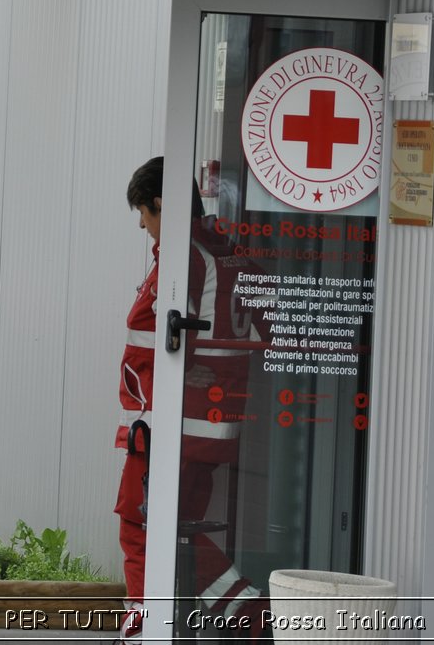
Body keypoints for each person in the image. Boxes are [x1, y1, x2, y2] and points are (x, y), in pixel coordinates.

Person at [115, 157, 268, 644]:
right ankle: (243, 611)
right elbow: (265, 328)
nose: (142, 224)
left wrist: (193, 364)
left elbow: (174, 331)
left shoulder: (186, 258)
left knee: (141, 526)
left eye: (144, 212)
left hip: (171, 424)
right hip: (207, 425)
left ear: (162, 204)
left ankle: (151, 628)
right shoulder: (233, 254)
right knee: (179, 527)